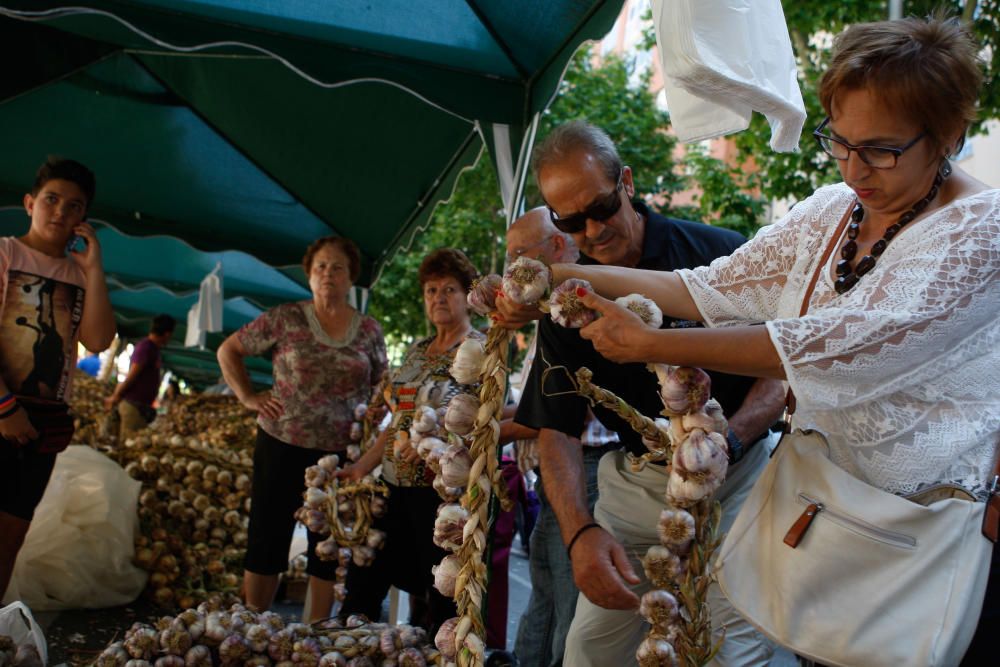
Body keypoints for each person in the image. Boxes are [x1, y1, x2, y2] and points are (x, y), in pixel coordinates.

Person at [543, 17, 999, 664]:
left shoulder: (980, 233)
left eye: (880, 149)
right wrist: (556, 276)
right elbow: (705, 286)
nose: (853, 166)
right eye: (837, 141)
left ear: (949, 135)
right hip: (829, 521)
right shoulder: (830, 211)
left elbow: (837, 346)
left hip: (924, 537)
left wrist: (654, 344)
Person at [495, 121, 786, 666]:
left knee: (731, 650)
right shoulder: (568, 298)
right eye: (571, 221)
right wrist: (579, 533)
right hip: (638, 486)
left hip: (741, 476)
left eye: (601, 207)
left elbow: (780, 366)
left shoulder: (717, 253)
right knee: (588, 649)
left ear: (625, 181)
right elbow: (557, 426)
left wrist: (734, 442)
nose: (593, 230)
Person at [217, 236, 388, 621]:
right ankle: (252, 626)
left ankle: (314, 636)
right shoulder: (285, 317)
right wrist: (248, 396)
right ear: (310, 276)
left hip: (340, 456)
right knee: (267, 536)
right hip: (281, 442)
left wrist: (372, 419)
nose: (328, 274)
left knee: (328, 545)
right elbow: (228, 350)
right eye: (321, 267)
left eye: (337, 267)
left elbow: (383, 385)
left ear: (351, 279)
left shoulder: (369, 331)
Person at [337, 248, 484, 636]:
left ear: (468, 295)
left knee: (444, 595)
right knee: (362, 582)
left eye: (449, 289)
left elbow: (489, 423)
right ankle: (346, 651)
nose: (438, 298)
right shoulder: (418, 351)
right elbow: (397, 421)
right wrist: (361, 467)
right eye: (431, 290)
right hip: (392, 485)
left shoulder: (481, 351)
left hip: (442, 495)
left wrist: (443, 443)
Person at [503, 208, 618, 667]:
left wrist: (488, 430)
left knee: (568, 607)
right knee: (545, 599)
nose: (511, 266)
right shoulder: (548, 312)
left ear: (553, 248)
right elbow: (539, 404)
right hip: (560, 472)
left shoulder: (579, 306)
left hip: (587, 472)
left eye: (517, 254)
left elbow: (557, 410)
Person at [0, 157, 115, 600]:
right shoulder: (6, 253)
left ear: (83, 220)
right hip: (2, 408)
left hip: (43, 423)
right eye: (51, 200)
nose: (60, 213)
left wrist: (94, 269)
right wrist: (6, 409)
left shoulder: (80, 277)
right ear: (30, 203)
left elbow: (99, 340)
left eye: (73, 206)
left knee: (10, 537)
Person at [105, 314, 175, 439]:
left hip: (139, 408)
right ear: (167, 334)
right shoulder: (146, 347)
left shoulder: (153, 349)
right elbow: (132, 375)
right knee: (128, 445)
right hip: (132, 407)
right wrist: (116, 395)